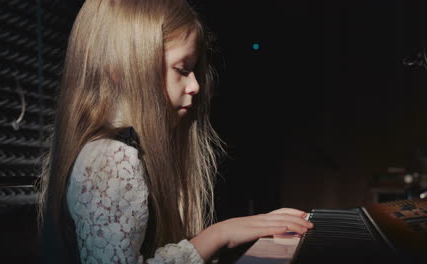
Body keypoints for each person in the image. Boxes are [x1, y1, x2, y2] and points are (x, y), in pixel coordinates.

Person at [37, 0, 313, 263]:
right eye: (182, 69)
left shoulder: (113, 151)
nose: (195, 85)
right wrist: (219, 235)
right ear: (121, 69)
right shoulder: (113, 158)